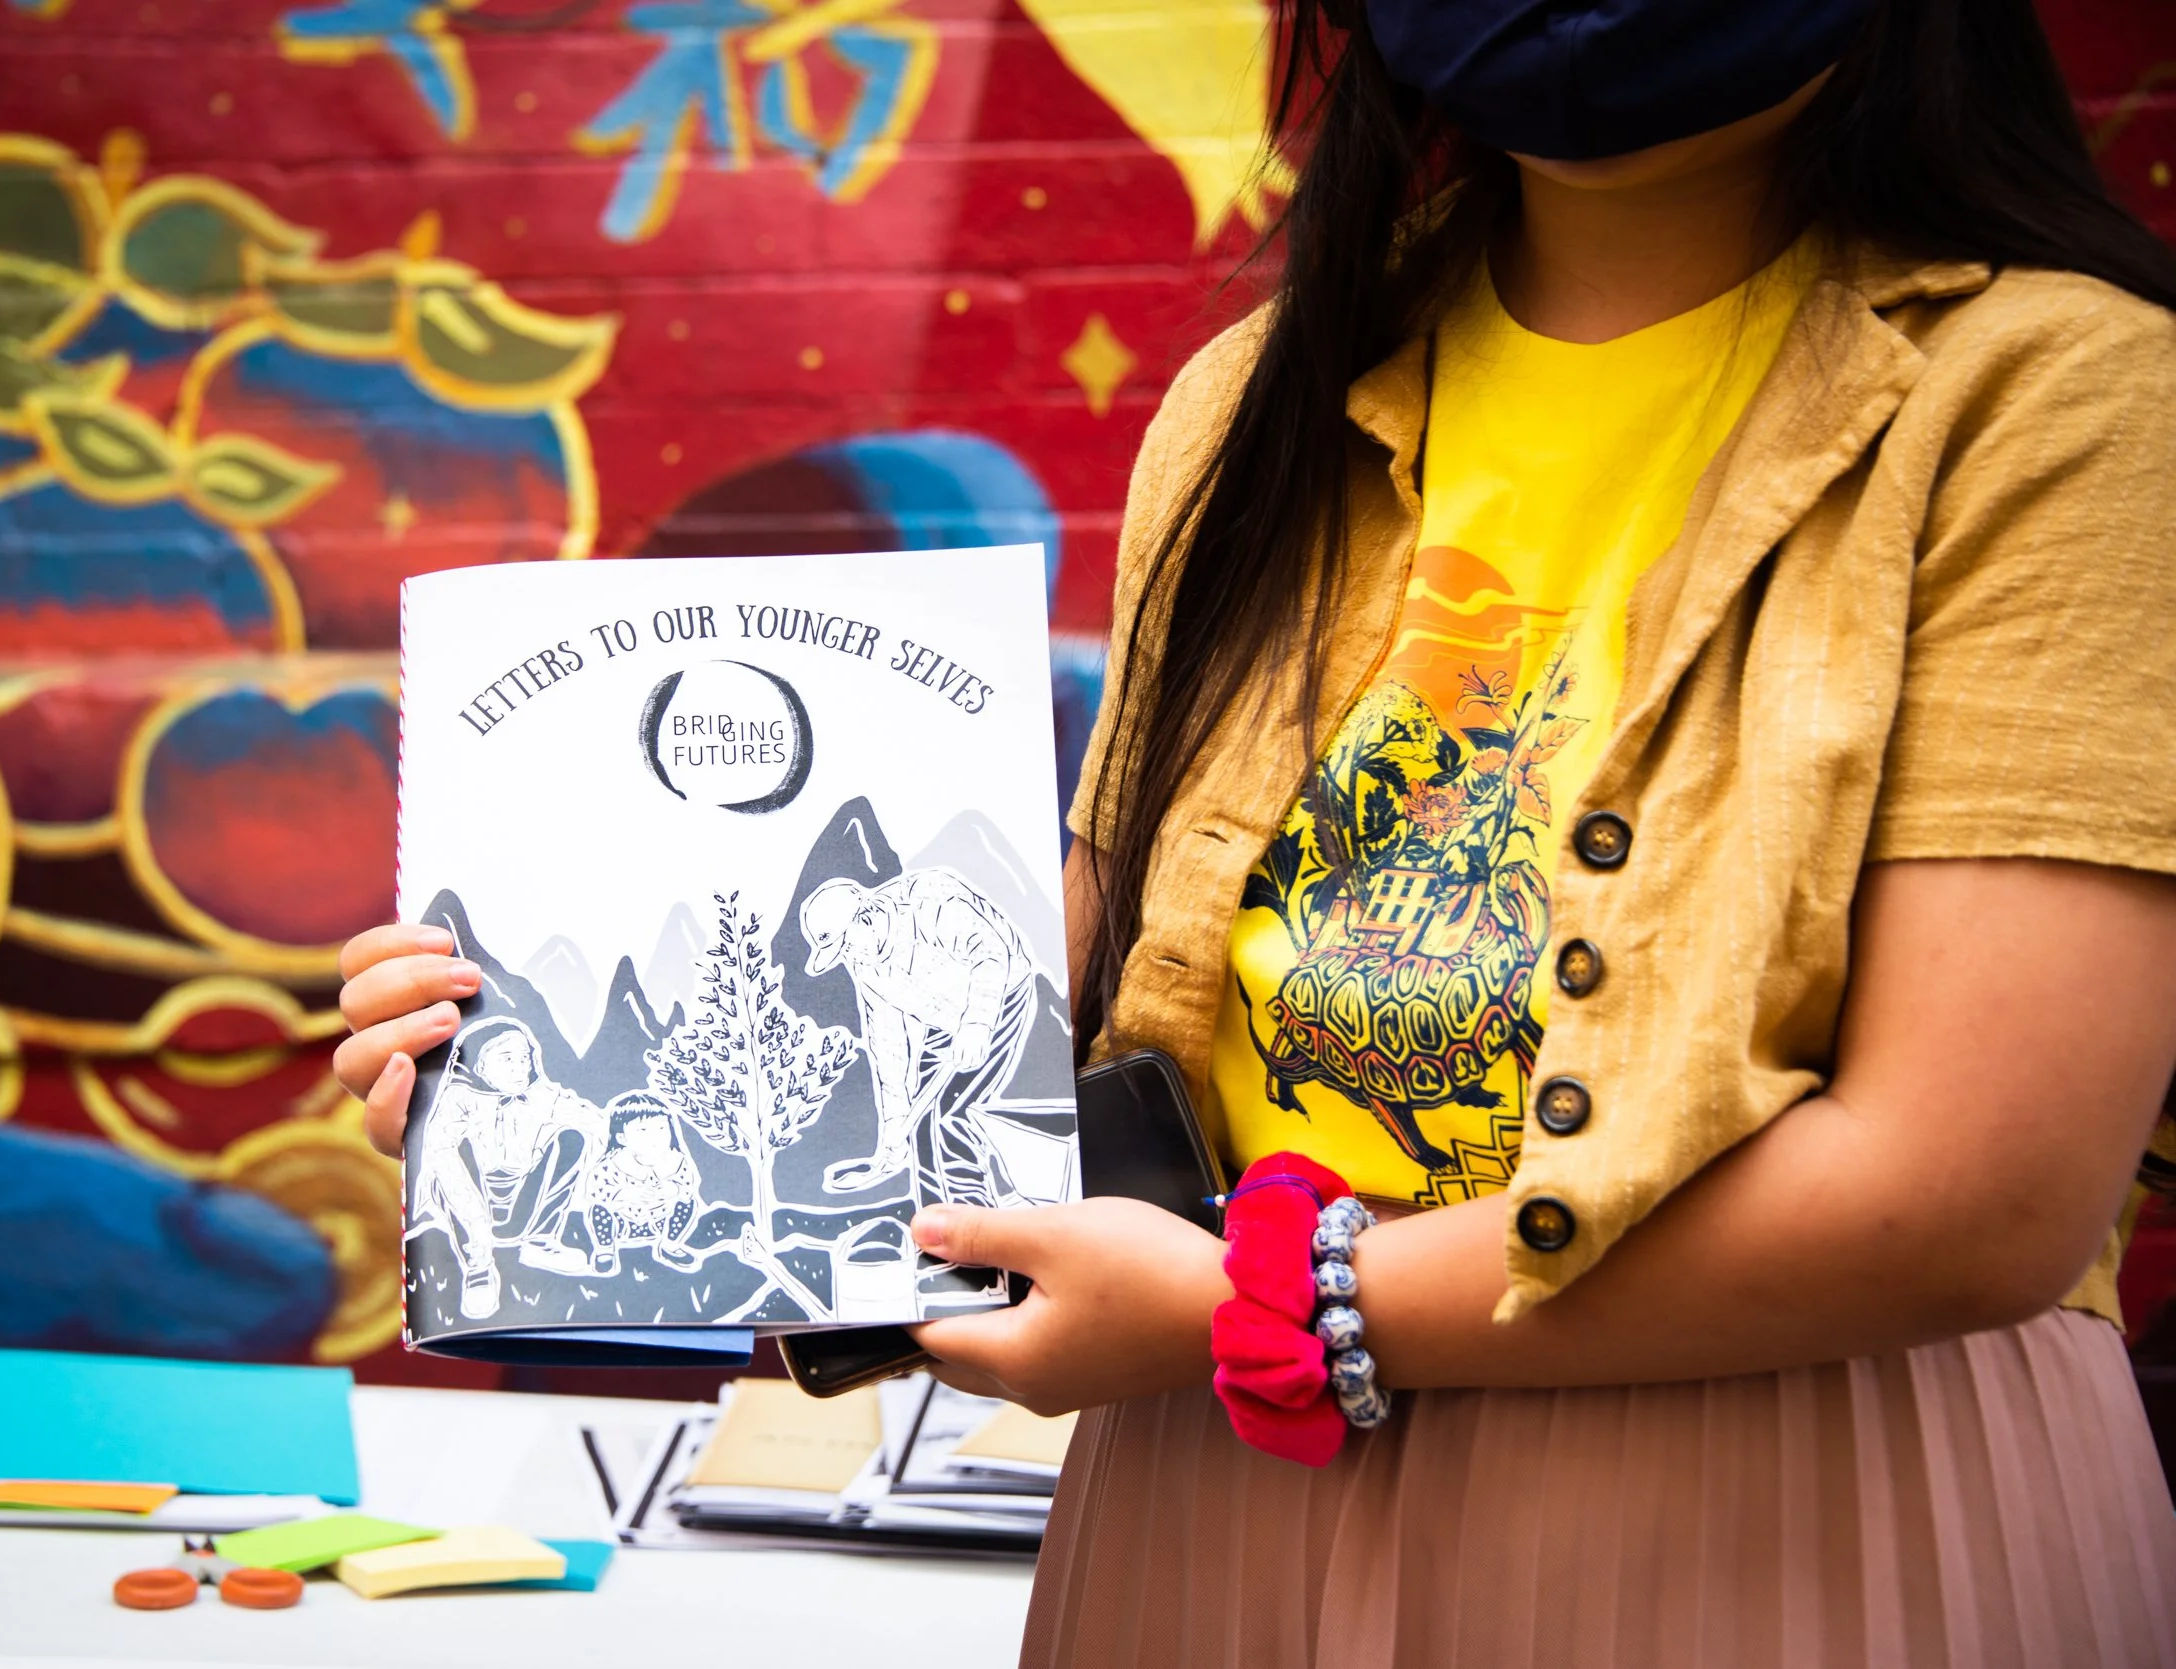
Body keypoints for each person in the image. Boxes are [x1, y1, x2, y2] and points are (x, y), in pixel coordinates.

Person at [337, 0, 2176, 1656]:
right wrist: (572, 1081)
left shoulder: (2057, 400)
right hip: (1213, 1506)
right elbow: (1005, 1043)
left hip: (1807, 1505)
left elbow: (1978, 1188)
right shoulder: (1253, 405)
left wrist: (1270, 1302)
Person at [798, 870, 1039, 1206]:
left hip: (998, 996)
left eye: (846, 944)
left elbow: (990, 956)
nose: (849, 956)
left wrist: (977, 1026)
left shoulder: (929, 903)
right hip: (943, 1021)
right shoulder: (866, 963)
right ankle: (935, 1227)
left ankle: (973, 1221)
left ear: (866, 917)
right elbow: (888, 1044)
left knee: (951, 1114)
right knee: (920, 1124)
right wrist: (895, 1125)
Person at [404, 1016, 601, 1315]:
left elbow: (592, 1120)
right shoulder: (458, 1098)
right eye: (507, 1058)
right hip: (471, 1197)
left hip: (525, 1196)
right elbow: (441, 1155)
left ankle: (541, 1241)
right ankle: (478, 1268)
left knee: (572, 1138)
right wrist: (478, 1226)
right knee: (450, 1156)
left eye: (524, 1058)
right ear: (479, 1065)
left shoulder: (541, 1094)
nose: (519, 1066)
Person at [581, 1092, 703, 1275]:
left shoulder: (675, 1161)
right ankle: (605, 1251)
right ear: (621, 1138)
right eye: (643, 1130)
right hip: (623, 1224)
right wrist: (624, 1194)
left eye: (662, 1128)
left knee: (688, 1202)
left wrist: (674, 1189)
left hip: (660, 1222)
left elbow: (687, 1187)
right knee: (598, 1210)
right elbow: (595, 1192)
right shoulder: (612, 1165)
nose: (655, 1137)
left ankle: (670, 1246)